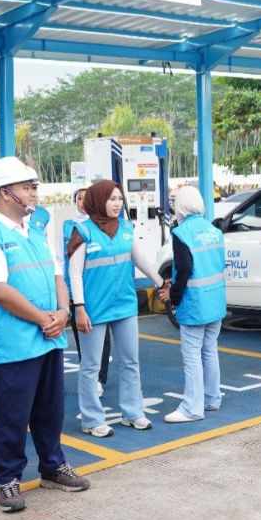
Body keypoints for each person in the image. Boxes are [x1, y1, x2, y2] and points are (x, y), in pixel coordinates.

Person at [0, 156, 90, 512]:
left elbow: (57, 276)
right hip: (14, 344)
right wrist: (43, 319)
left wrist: (63, 311)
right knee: (12, 417)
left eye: (34, 186)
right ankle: (7, 479)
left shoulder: (35, 231)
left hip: (48, 337)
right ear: (5, 192)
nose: (34, 192)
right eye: (27, 187)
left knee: (50, 411)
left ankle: (52, 467)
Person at [67, 180, 164, 438]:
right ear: (98, 201)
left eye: (120, 199)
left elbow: (141, 260)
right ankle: (91, 419)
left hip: (125, 305)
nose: (117, 203)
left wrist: (160, 282)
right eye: (112, 199)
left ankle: (133, 413)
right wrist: (79, 308)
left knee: (131, 361)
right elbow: (74, 274)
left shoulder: (125, 227)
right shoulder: (83, 231)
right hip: (94, 308)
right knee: (91, 366)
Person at [165, 186, 224, 423]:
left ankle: (192, 408)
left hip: (195, 302)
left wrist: (174, 295)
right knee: (209, 350)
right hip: (215, 299)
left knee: (191, 355)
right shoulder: (214, 230)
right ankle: (212, 399)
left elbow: (185, 268)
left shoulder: (181, 233)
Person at [57, 186, 112, 398]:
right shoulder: (66, 227)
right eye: (79, 198)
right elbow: (61, 259)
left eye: (86, 198)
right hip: (74, 289)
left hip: (97, 288)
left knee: (102, 335)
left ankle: (99, 378)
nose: (82, 202)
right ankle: (88, 373)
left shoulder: (100, 224)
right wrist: (63, 287)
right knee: (82, 333)